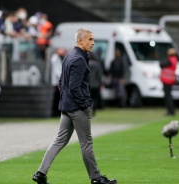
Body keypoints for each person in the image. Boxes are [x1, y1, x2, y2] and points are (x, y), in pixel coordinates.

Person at [32, 28, 117, 184]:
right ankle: (96, 178)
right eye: (90, 39)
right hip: (77, 108)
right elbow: (74, 87)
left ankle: (40, 173)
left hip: (66, 107)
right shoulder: (78, 59)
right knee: (86, 143)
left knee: (59, 141)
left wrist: (66, 101)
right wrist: (85, 104)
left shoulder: (69, 55)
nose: (93, 42)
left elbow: (61, 82)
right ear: (80, 41)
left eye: (93, 39)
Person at [159, 48, 178, 116]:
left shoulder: (171, 59)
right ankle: (170, 110)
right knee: (168, 95)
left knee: (168, 96)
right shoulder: (173, 59)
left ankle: (171, 111)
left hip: (167, 80)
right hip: (169, 80)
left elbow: (162, 64)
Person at [50, 47, 66, 117]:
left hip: (57, 81)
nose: (63, 51)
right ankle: (56, 112)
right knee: (57, 98)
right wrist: (59, 82)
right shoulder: (56, 58)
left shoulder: (56, 58)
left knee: (57, 97)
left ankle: (56, 112)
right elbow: (57, 71)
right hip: (57, 82)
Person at [89, 51, 103, 116]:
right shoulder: (97, 65)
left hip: (88, 85)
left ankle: (88, 111)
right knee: (95, 99)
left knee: (88, 98)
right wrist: (101, 84)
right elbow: (99, 75)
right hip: (96, 85)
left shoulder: (86, 63)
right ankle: (93, 112)